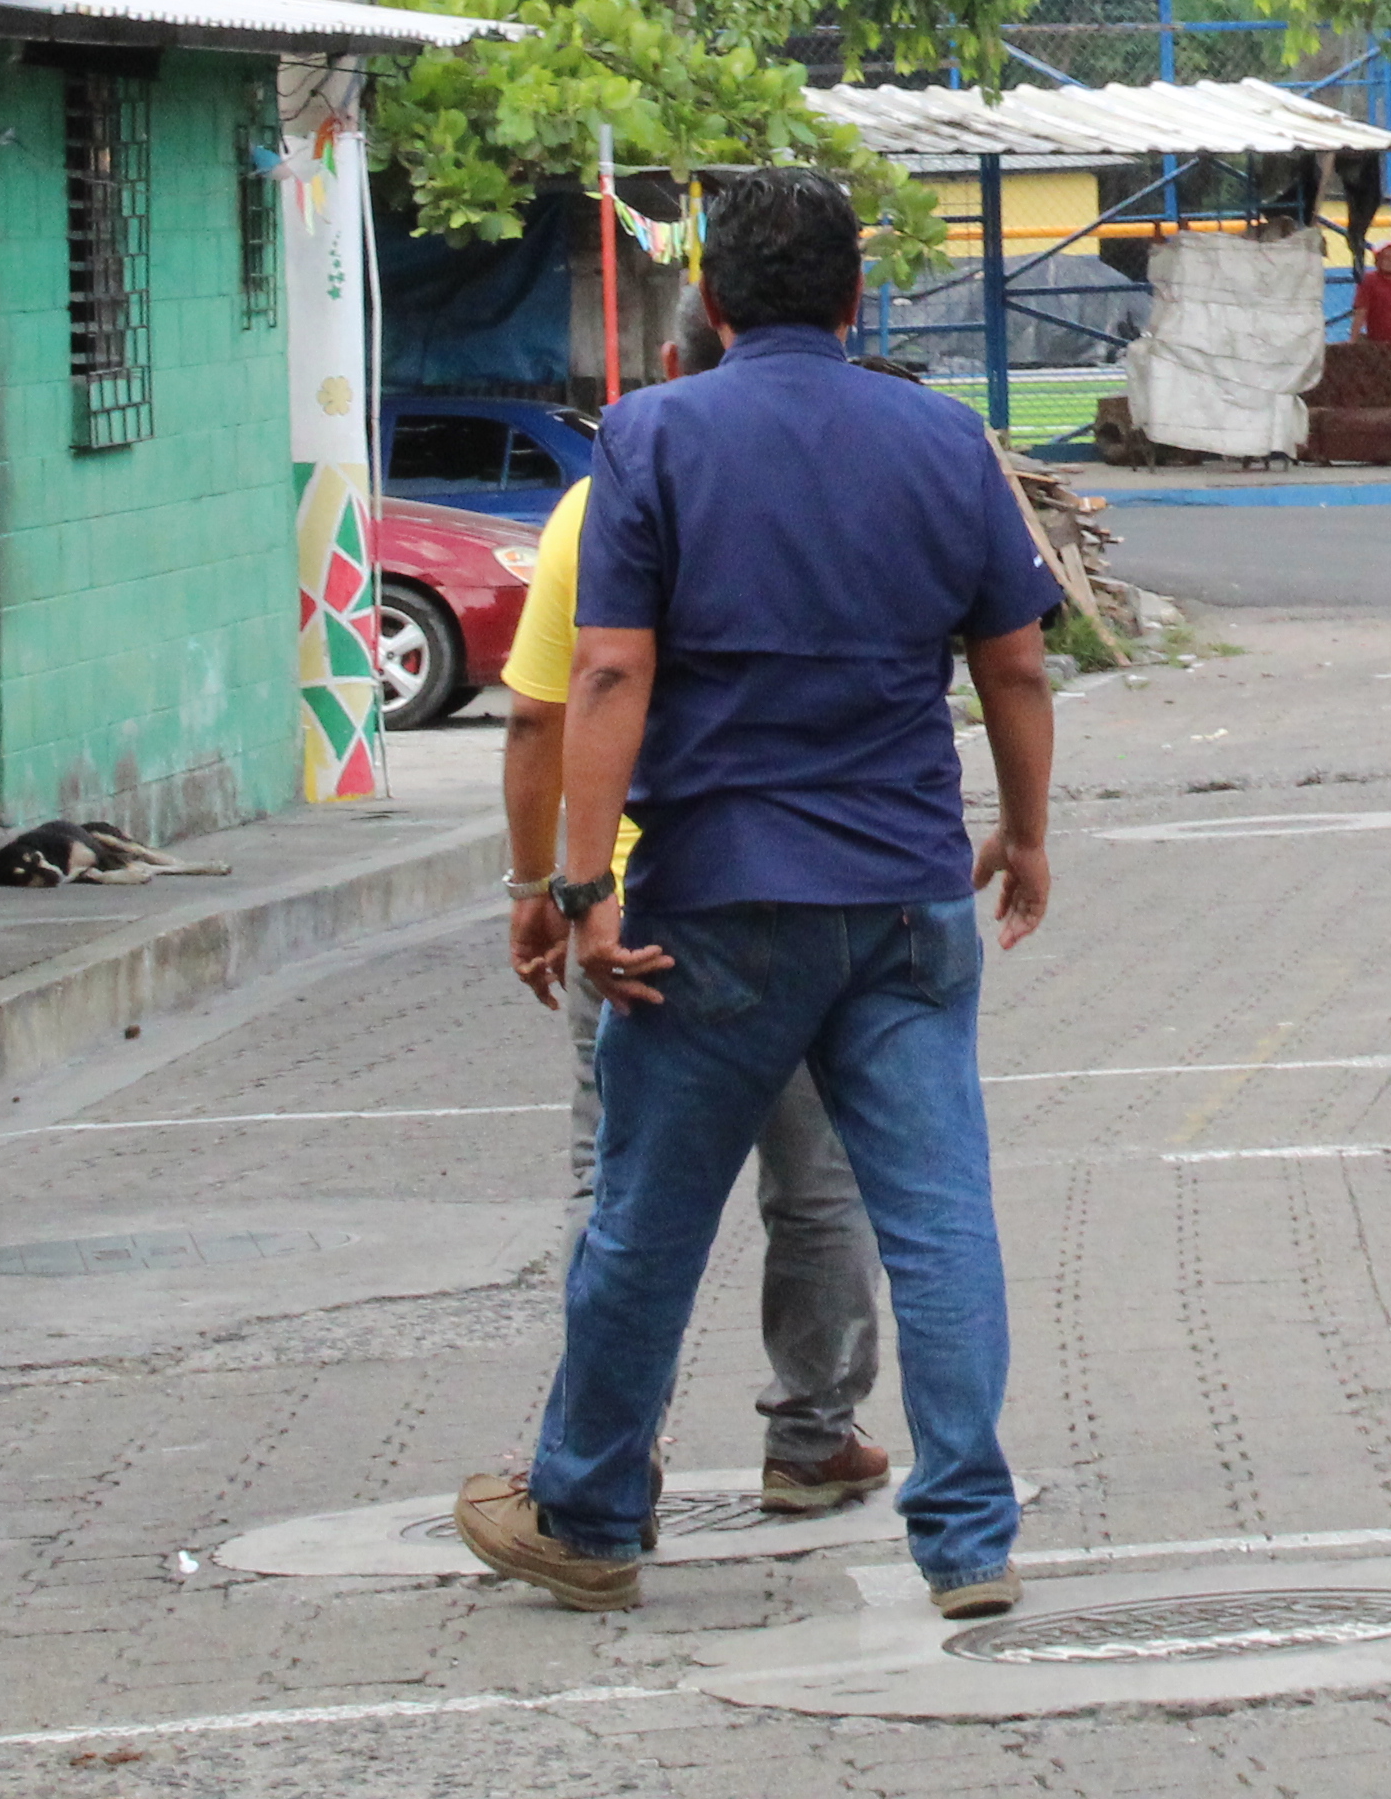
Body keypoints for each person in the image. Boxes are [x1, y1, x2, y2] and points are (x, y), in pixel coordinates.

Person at [455, 166, 1065, 1619]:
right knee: (939, 1219)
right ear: (859, 297)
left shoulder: (653, 437)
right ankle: (969, 1539)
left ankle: (592, 1512)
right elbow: (1019, 665)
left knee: (647, 1226)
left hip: (714, 904)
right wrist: (1027, 836)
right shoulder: (944, 441)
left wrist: (580, 883)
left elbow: (606, 672)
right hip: (908, 898)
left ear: (710, 303)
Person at [494, 396, 891, 1518]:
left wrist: (544, 892)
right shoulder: (835, 499)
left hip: (633, 904)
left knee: (613, 1183)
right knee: (816, 1183)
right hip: (812, 883)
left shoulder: (595, 507)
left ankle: (611, 1446)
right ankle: (814, 1437)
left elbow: (539, 718)